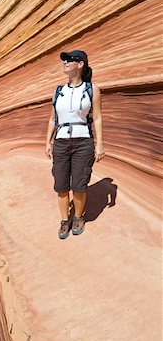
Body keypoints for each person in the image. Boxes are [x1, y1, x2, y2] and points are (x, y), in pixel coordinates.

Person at [45, 50, 105, 239]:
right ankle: (65, 220)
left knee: (79, 184)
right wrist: (47, 141)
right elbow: (53, 118)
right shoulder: (58, 91)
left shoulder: (91, 89)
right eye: (65, 61)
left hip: (83, 141)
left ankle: (78, 217)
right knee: (61, 185)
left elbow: (97, 117)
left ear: (80, 64)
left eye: (70, 60)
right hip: (61, 142)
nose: (66, 63)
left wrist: (100, 144)